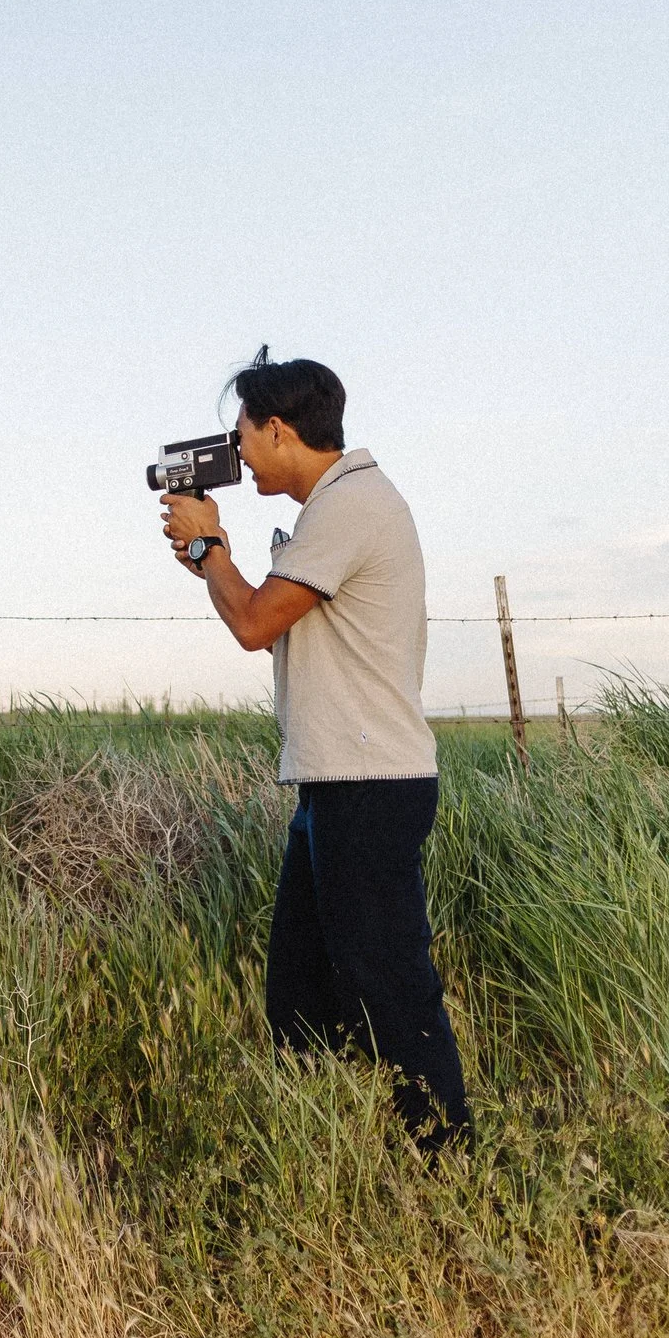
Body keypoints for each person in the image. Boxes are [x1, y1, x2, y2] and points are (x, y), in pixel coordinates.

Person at [158, 349, 473, 1149]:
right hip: (333, 782)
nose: (239, 457)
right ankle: (323, 1143)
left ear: (277, 429)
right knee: (298, 991)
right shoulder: (335, 508)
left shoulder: (352, 505)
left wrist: (208, 550)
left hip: (369, 781)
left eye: (242, 438)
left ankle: (450, 1157)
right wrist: (212, 558)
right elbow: (276, 629)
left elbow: (254, 624)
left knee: (391, 984)